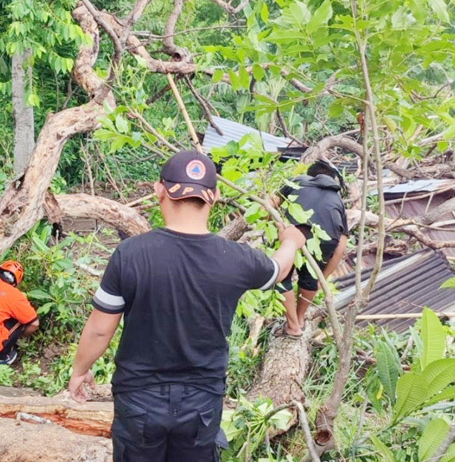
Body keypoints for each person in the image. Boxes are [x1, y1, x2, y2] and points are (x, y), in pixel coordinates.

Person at [67, 150, 307, 462]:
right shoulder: (235, 258)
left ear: (159, 191)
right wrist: (291, 241)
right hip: (202, 404)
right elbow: (278, 270)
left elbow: (101, 329)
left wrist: (79, 371)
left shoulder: (130, 255)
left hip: (139, 399)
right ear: (215, 196)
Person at [274, 159, 349, 338]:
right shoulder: (338, 201)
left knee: (279, 275)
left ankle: (292, 325)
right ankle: (299, 319)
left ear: (311, 175)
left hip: (293, 231)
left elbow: (269, 204)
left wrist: (276, 226)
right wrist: (321, 278)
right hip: (325, 240)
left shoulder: (297, 181)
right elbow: (341, 247)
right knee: (309, 279)